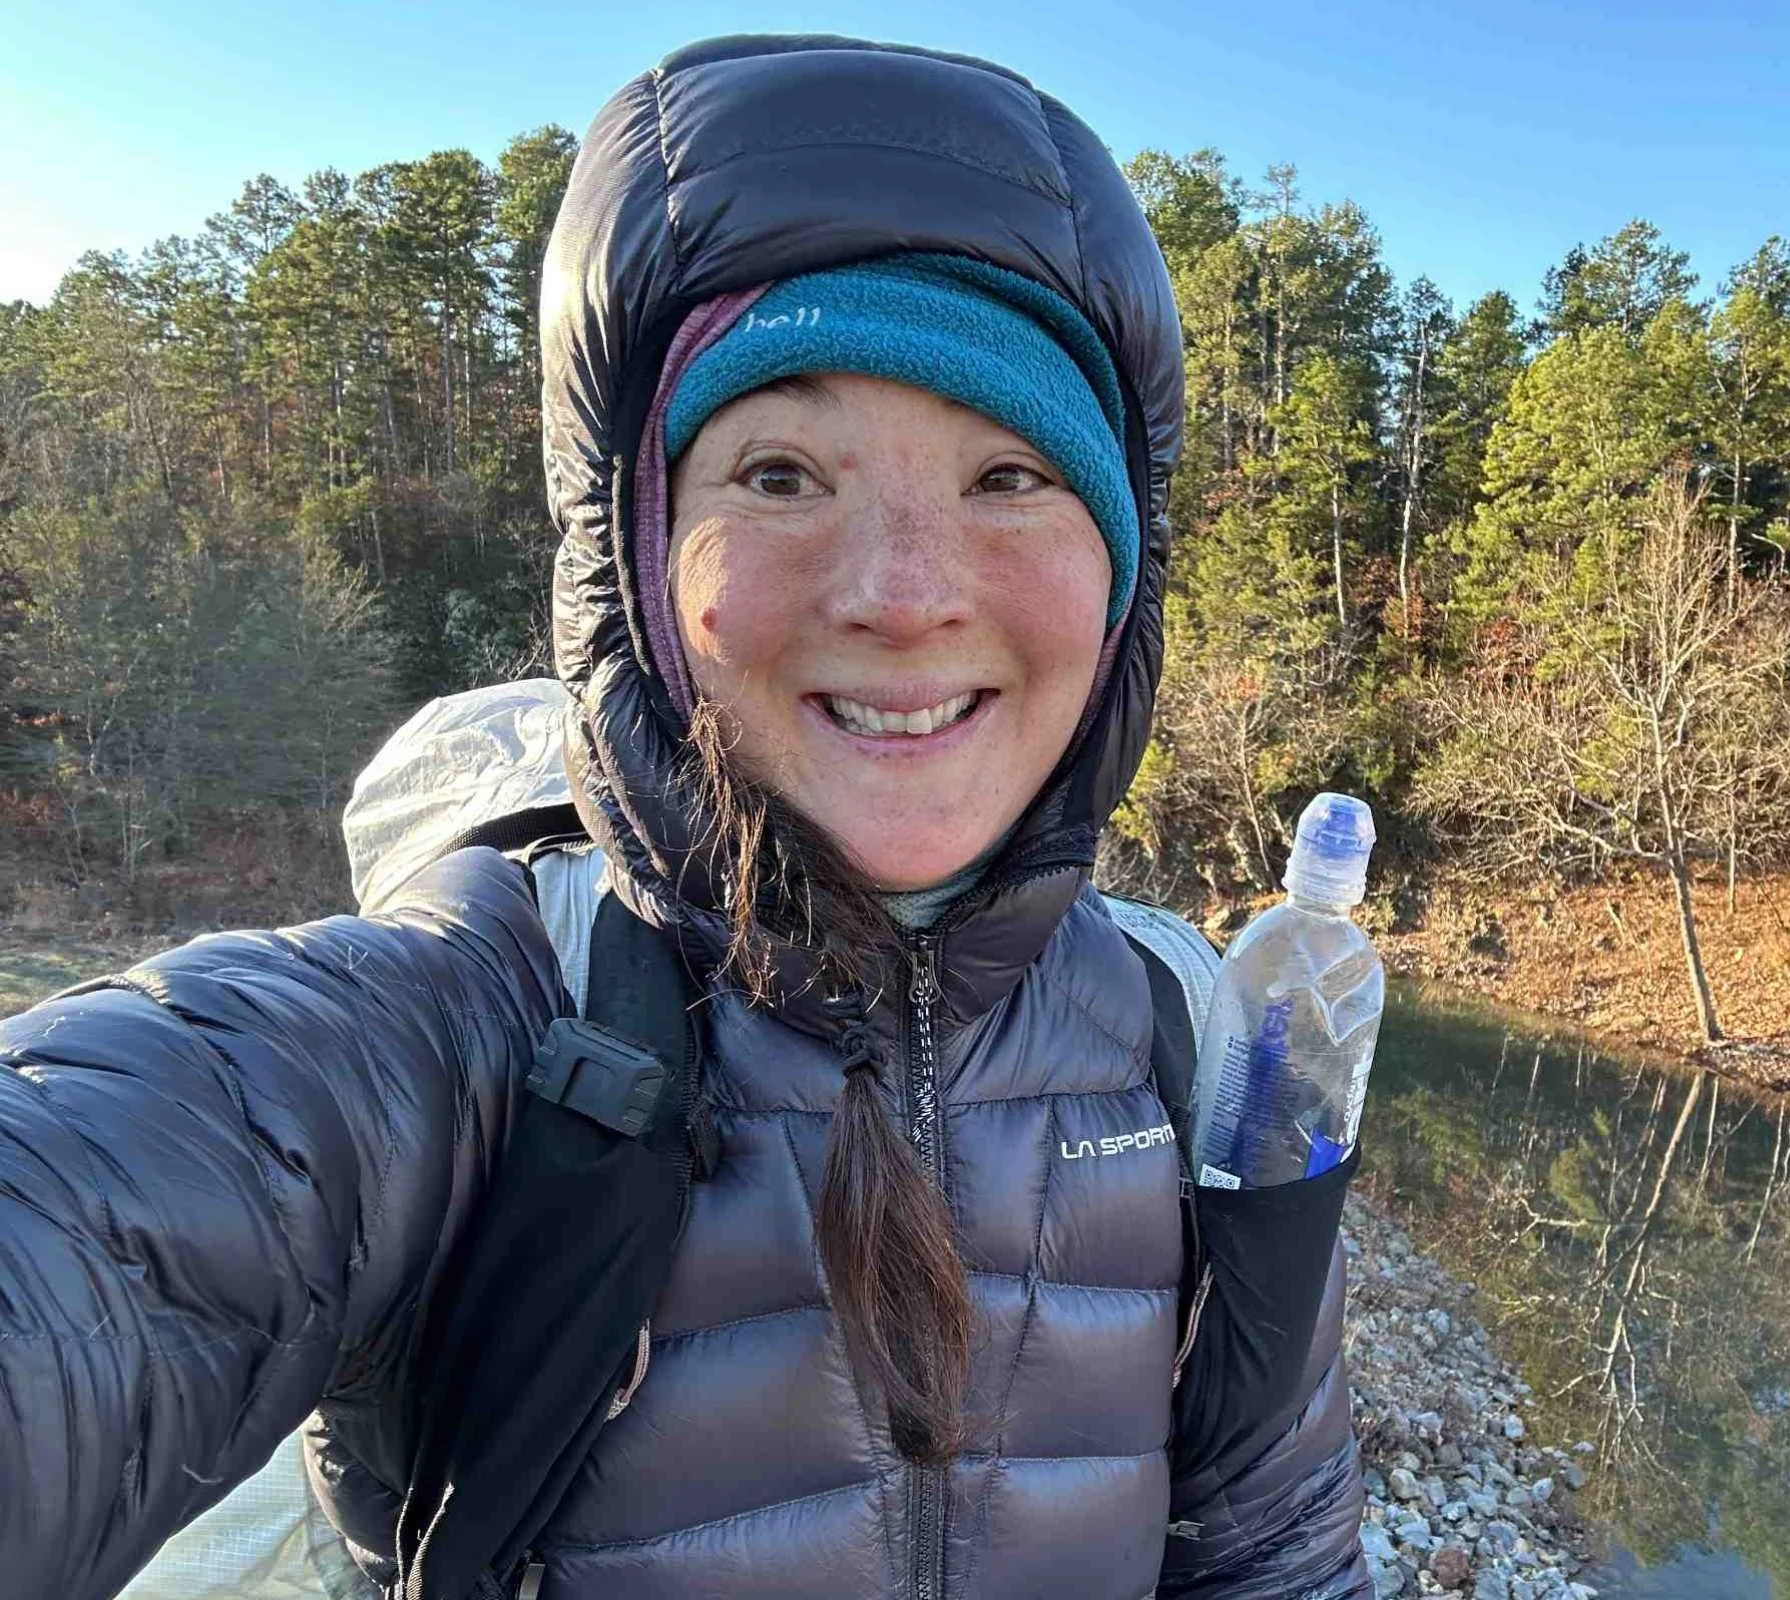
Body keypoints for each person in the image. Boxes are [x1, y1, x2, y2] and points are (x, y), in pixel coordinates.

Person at [0, 34, 1370, 1600]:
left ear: (1123, 577)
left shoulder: (1188, 1024)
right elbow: (110, 1216)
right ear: (640, 568)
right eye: (781, 472)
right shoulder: (483, 1010)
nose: (904, 595)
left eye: (1008, 476)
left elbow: (1273, 1544)